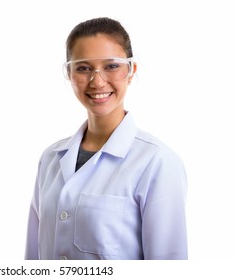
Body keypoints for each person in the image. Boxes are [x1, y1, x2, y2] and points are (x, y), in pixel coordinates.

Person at [24, 17, 188, 260]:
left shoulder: (157, 162)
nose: (97, 81)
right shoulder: (50, 159)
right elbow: (33, 258)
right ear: (69, 73)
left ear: (131, 71)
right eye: (83, 68)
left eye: (111, 66)